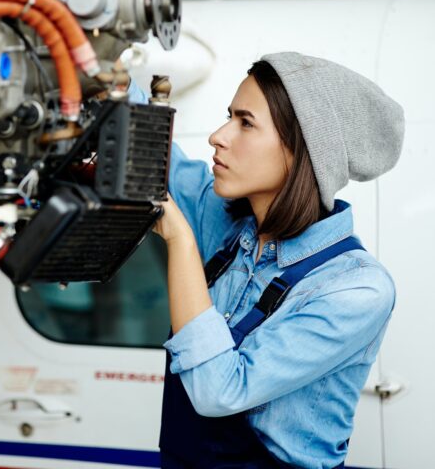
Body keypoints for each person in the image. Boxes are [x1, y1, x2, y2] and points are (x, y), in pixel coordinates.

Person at [135, 52, 405, 468]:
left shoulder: (356, 289)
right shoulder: (227, 225)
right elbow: (153, 153)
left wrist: (180, 242)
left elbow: (219, 391)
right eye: (229, 117)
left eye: (245, 123)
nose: (217, 136)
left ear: (303, 151)